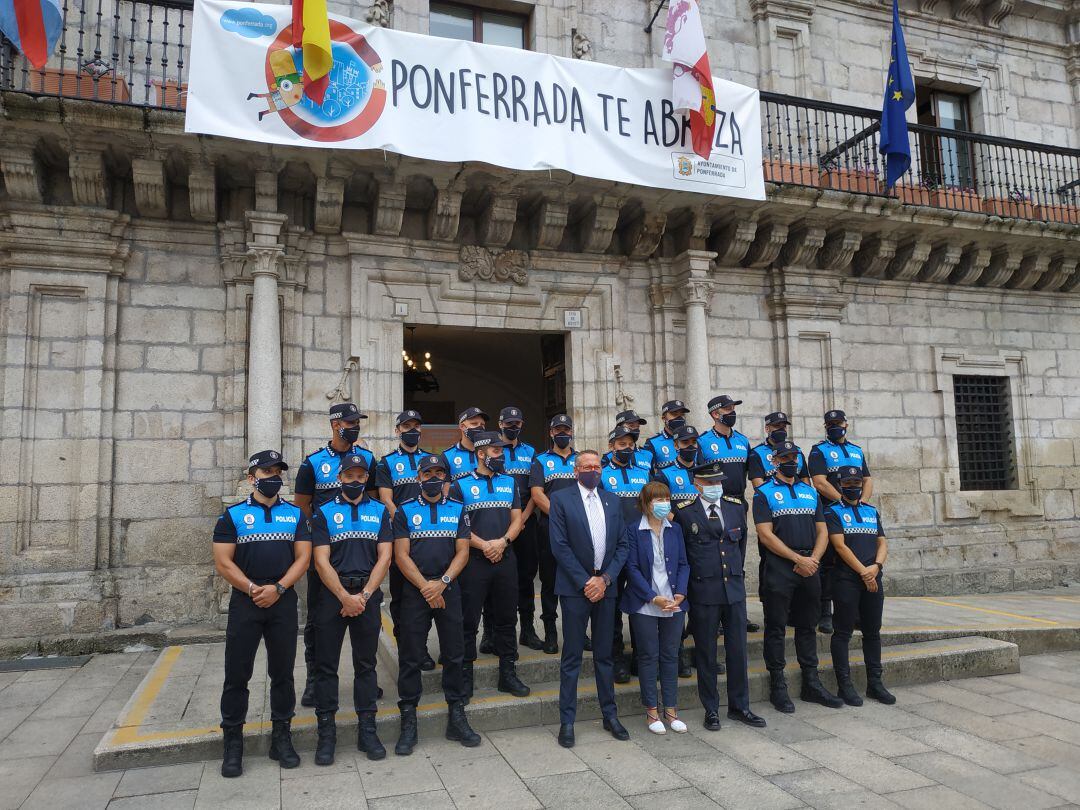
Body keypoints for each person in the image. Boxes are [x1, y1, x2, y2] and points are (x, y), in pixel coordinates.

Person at [213, 450, 311, 778]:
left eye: (277, 472)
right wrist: (254, 589)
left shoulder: (294, 514)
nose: (273, 477)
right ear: (251, 477)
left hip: (282, 601)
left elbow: (303, 558)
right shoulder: (233, 516)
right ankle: (233, 743)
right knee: (237, 675)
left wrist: (280, 589)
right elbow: (224, 562)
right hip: (246, 602)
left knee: (282, 673)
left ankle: (281, 737)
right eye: (266, 472)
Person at [392, 454, 481, 755]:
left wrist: (441, 583)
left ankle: (456, 715)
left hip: (448, 588)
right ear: (418, 477)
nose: (433, 477)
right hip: (416, 591)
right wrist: (426, 587)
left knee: (455, 653)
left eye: (438, 473)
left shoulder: (458, 509)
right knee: (411, 656)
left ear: (446, 477)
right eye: (427, 473)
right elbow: (401, 555)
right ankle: (409, 719)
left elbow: (463, 552)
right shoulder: (404, 511)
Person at [671, 461, 766, 730]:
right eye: (710, 483)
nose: (715, 487)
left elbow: (740, 546)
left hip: (733, 590)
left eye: (718, 482)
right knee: (706, 653)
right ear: (697, 484)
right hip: (703, 591)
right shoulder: (685, 513)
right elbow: (683, 556)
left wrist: (736, 576)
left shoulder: (736, 508)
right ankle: (710, 709)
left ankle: (740, 706)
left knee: (738, 651)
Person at [310, 453, 392, 764]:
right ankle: (326, 734)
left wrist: (365, 594)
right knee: (326, 667)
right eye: (350, 476)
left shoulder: (380, 511)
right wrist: (345, 596)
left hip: (367, 596)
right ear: (340, 478)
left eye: (361, 477)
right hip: (334, 596)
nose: (355, 482)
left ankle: (367, 730)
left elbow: (385, 556)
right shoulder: (323, 513)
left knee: (366, 665)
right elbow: (320, 560)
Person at [752, 442, 843, 713]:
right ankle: (777, 685)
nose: (792, 461)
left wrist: (813, 559)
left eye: (795, 457)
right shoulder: (763, 493)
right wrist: (797, 559)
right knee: (776, 626)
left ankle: (811, 683)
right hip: (781, 566)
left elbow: (823, 530)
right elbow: (765, 534)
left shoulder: (810, 492)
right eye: (786, 457)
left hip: (809, 565)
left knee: (807, 626)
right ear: (775, 461)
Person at [294, 402, 375, 706]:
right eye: (350, 421)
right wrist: (315, 536)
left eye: (358, 422)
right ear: (335, 424)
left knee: (365, 620)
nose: (355, 426)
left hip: (359, 550)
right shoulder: (313, 463)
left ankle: (366, 679)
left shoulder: (367, 459)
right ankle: (315, 679)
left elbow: (375, 499)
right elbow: (303, 503)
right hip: (326, 553)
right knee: (318, 620)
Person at [549, 450, 630, 748]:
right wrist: (587, 581)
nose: (592, 471)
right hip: (575, 588)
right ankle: (567, 721)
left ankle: (610, 715)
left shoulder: (612, 500)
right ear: (576, 470)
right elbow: (559, 546)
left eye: (597, 466)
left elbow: (622, 545)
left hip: (606, 586)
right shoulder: (561, 499)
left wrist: (605, 579)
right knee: (571, 657)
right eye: (586, 466)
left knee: (605, 655)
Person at [449, 432, 530, 701]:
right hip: (474, 562)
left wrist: (503, 542)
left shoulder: (510, 483)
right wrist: (485, 546)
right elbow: (458, 526)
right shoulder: (461, 485)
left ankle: (508, 674)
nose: (502, 456)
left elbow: (517, 520)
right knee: (468, 621)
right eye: (496, 452)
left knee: (507, 618)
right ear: (481, 454)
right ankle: (465, 678)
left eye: (502, 452)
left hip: (505, 559)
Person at [621, 481, 689, 734]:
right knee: (648, 656)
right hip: (645, 604)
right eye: (658, 500)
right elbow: (632, 569)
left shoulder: (676, 529)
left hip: (674, 602)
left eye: (666, 499)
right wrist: (652, 596)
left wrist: (680, 592)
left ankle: (671, 711)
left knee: (671, 655)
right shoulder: (633, 530)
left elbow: (684, 563)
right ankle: (652, 711)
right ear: (646, 503)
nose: (664, 504)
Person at [825, 465, 895, 707]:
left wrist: (875, 567)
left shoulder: (871, 511)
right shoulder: (832, 512)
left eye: (857, 484)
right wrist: (864, 572)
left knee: (872, 632)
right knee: (843, 632)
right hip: (847, 580)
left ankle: (875, 683)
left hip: (873, 578)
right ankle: (845, 686)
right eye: (848, 484)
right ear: (840, 485)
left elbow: (882, 543)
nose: (853, 487)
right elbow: (840, 546)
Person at [698, 394, 759, 633]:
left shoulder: (743, 441)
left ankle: (737, 615)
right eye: (727, 408)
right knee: (716, 560)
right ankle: (714, 618)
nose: (732, 411)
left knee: (737, 560)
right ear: (715, 413)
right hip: (714, 503)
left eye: (733, 407)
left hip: (738, 504)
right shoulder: (703, 442)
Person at [808, 409, 873, 635]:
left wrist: (860, 504)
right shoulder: (819, 451)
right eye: (831, 423)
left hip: (857, 517)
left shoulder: (856, 450)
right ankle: (825, 613)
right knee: (828, 563)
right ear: (825, 426)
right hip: (831, 513)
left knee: (854, 559)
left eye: (839, 422)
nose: (835, 426)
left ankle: (853, 613)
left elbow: (867, 479)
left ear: (846, 423)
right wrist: (845, 502)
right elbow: (819, 482)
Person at [374, 409, 430, 664]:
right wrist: (405, 522)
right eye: (406, 426)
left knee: (426, 593)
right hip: (401, 536)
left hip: (429, 537)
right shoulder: (385, 463)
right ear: (397, 431)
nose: (412, 431)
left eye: (416, 426)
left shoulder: (432, 460)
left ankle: (423, 648)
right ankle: (405, 645)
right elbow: (385, 498)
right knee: (401, 595)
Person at [601, 425, 651, 683]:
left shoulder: (644, 472)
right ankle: (616, 656)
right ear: (611, 447)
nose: (627, 448)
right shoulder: (601, 474)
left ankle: (640, 656)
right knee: (613, 603)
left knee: (641, 602)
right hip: (612, 548)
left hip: (641, 546)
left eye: (630, 444)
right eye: (621, 444)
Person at [529, 414, 578, 654]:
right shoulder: (540, 461)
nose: (562, 433)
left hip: (580, 530)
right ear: (551, 433)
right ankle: (550, 632)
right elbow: (537, 494)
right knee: (549, 582)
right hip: (550, 528)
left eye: (566, 430)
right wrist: (562, 517)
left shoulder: (581, 460)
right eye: (558, 430)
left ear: (571, 432)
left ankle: (578, 632)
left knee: (579, 578)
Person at [497, 406, 543, 651]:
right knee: (494, 579)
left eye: (517, 423)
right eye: (509, 423)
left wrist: (522, 520)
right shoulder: (491, 448)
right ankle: (491, 633)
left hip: (525, 522)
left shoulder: (531, 452)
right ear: (500, 423)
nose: (513, 427)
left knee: (525, 577)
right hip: (496, 521)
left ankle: (527, 629)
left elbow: (536, 489)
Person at [748, 411, 809, 488]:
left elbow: (805, 480)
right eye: (777, 426)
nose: (781, 430)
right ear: (767, 429)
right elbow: (758, 485)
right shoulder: (757, 453)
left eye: (783, 427)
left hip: (797, 497)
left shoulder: (797, 451)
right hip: (774, 498)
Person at [443, 406, 488, 482]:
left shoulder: (491, 453)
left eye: (482, 425)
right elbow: (446, 489)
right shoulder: (447, 455)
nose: (479, 427)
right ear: (462, 426)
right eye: (474, 424)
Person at [644, 400, 690, 471]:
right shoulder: (653, 443)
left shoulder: (693, 441)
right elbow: (648, 473)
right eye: (674, 414)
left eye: (682, 415)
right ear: (664, 418)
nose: (679, 418)